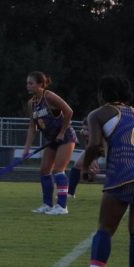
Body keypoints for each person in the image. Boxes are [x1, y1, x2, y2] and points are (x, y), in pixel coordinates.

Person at [66, 75, 134, 267]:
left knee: (105, 229)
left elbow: (94, 144)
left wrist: (85, 167)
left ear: (103, 94)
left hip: (123, 173)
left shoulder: (97, 114)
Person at [23, 70, 77, 215]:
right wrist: (26, 149)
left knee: (58, 170)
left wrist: (61, 133)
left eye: (31, 83)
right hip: (51, 140)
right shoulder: (31, 104)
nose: (27, 86)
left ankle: (62, 206)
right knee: (44, 170)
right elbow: (32, 127)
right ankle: (47, 204)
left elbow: (69, 111)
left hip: (65, 137)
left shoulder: (49, 97)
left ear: (41, 84)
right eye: (27, 83)